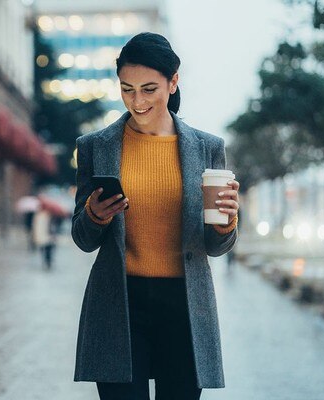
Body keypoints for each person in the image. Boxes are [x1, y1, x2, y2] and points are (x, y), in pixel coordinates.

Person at [71, 32, 239, 400]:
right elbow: (83, 239)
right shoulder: (95, 146)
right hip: (119, 303)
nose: (137, 101)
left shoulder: (208, 148)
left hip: (185, 306)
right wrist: (94, 215)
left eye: (149, 89)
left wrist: (226, 222)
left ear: (173, 81)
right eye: (127, 89)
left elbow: (214, 246)